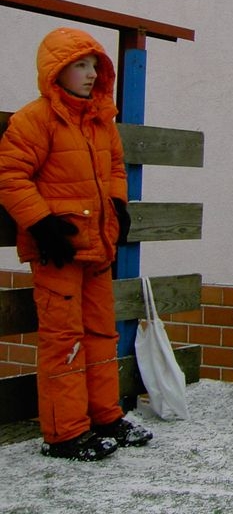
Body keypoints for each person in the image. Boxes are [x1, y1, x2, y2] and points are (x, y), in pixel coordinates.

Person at [0, 27, 152, 461]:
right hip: (58, 253)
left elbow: (116, 167)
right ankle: (65, 433)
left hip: (98, 249)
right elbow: (10, 176)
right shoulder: (35, 120)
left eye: (94, 66)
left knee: (101, 335)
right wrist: (41, 224)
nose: (90, 74)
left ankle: (105, 417)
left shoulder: (101, 119)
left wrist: (118, 205)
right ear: (56, 71)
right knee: (63, 340)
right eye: (79, 66)